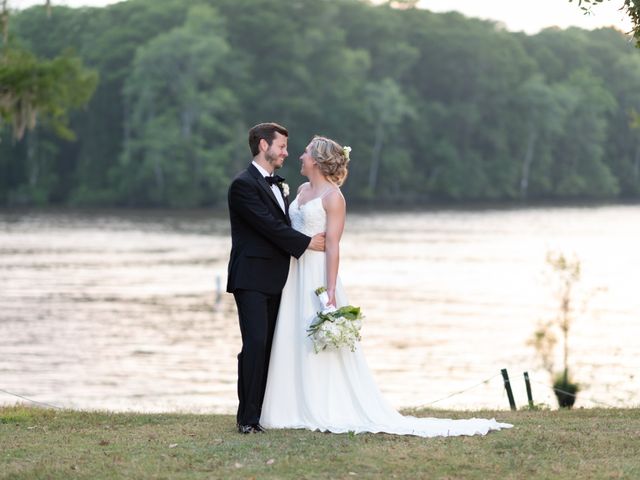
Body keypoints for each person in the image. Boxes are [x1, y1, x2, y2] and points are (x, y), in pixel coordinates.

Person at [260, 136, 512, 437]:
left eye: (305, 153)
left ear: (316, 160)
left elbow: (334, 247)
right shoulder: (301, 191)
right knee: (292, 333)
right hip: (294, 271)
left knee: (315, 338)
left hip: (316, 275)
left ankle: (321, 404)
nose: (299, 156)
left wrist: (329, 294)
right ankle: (289, 406)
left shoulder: (333, 197)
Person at [227, 122, 325, 434]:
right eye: (281, 146)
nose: (286, 152)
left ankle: (263, 413)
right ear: (263, 146)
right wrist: (307, 242)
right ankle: (247, 419)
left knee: (270, 345)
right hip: (251, 278)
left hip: (278, 278)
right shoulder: (243, 185)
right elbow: (268, 226)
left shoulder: (279, 184)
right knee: (254, 344)